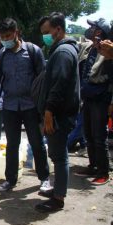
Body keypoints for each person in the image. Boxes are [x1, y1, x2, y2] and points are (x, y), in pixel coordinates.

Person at [0, 18, 51, 192]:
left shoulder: (33, 51)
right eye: (2, 37)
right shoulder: (0, 56)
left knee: (36, 142)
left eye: (8, 35)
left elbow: (43, 81)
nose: (5, 40)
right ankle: (10, 180)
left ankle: (44, 178)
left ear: (16, 32)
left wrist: (45, 109)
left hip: (31, 106)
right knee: (12, 145)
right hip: (10, 107)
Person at [36, 12, 80, 212]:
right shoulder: (62, 50)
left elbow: (59, 85)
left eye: (47, 32)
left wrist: (48, 112)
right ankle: (57, 189)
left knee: (59, 156)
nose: (45, 36)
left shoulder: (63, 52)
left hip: (58, 113)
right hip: (60, 112)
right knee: (57, 153)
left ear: (58, 29)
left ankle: (58, 198)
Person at [74, 18, 112, 185]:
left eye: (93, 27)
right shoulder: (91, 48)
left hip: (100, 99)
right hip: (88, 97)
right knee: (88, 134)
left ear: (99, 31)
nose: (90, 29)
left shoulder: (108, 50)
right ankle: (93, 165)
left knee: (99, 136)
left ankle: (103, 172)